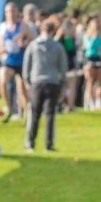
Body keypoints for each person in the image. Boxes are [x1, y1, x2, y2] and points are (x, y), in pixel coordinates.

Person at [23, 18, 68, 153]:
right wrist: (62, 82)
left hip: (36, 81)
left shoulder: (33, 45)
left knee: (34, 113)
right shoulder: (58, 47)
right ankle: (48, 144)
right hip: (53, 82)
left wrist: (27, 80)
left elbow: (27, 64)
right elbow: (63, 66)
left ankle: (30, 142)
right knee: (50, 114)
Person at [0, 2, 33, 122]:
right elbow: (1, 45)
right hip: (9, 60)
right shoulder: (3, 27)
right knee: (2, 81)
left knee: (22, 88)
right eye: (8, 11)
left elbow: (33, 41)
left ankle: (27, 112)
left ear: (17, 12)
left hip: (22, 60)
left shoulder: (23, 26)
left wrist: (24, 44)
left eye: (12, 11)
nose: (10, 14)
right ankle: (8, 107)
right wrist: (2, 50)